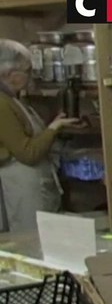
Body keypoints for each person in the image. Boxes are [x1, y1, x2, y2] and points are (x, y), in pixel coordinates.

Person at [0, 40, 78, 232]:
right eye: (27, 71)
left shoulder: (13, 99)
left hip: (35, 185)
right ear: (10, 75)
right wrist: (54, 128)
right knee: (32, 245)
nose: (30, 76)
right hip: (24, 189)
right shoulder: (2, 104)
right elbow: (28, 153)